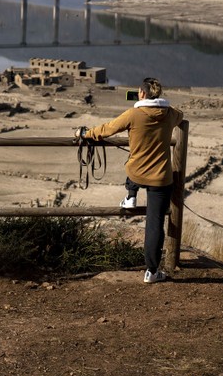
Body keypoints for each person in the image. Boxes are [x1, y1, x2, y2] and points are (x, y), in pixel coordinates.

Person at [76, 77, 183, 283]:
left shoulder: (133, 114)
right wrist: (164, 106)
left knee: (132, 163)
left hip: (137, 173)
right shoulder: (170, 114)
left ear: (141, 94)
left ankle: (130, 196)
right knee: (155, 224)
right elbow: (181, 115)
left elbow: (108, 129)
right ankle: (152, 272)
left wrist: (86, 133)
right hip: (161, 178)